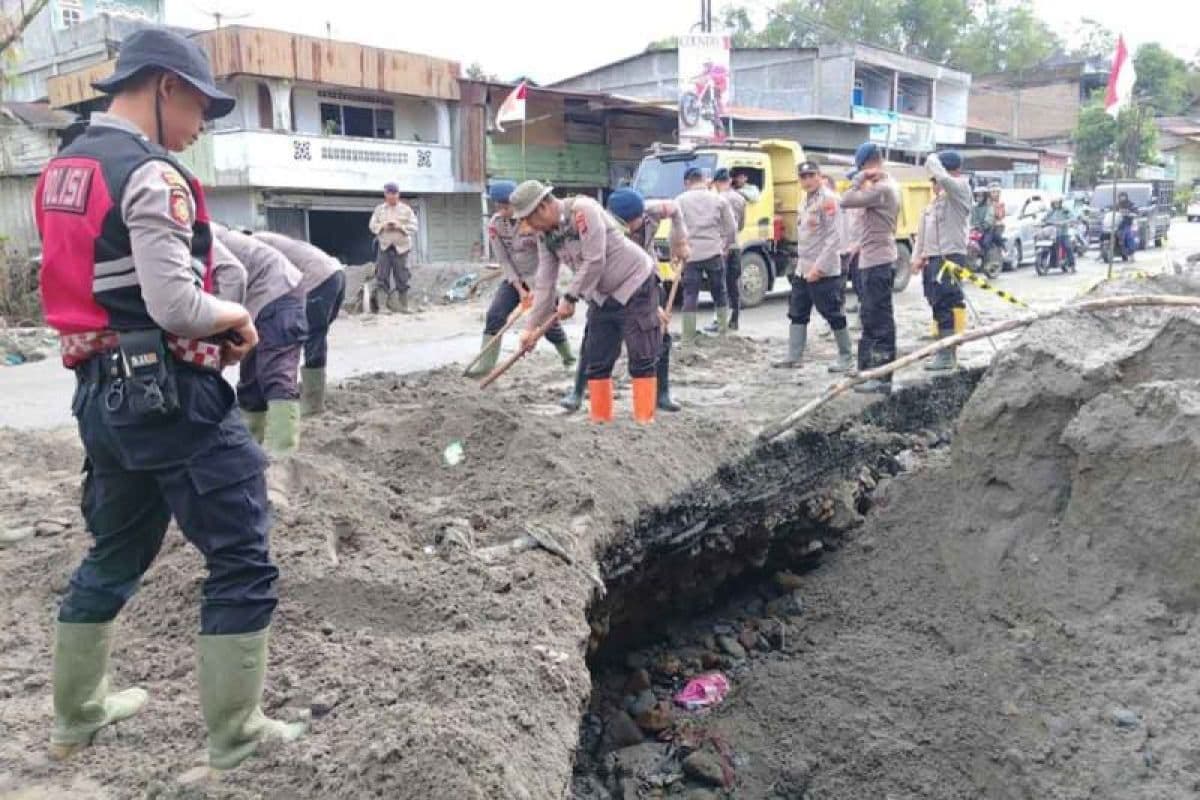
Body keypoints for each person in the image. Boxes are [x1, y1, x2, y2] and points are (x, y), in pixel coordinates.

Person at [32, 26, 303, 770]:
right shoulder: (150, 174)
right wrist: (236, 318)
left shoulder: (64, 168)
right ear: (165, 86)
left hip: (98, 398)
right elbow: (178, 304)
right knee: (243, 555)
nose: (196, 131)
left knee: (116, 549)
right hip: (165, 397)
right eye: (199, 111)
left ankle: (77, 714)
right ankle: (236, 737)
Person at [511, 180, 662, 424]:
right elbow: (545, 282)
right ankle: (600, 421)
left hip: (635, 283)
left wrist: (570, 297)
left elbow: (595, 261)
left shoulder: (583, 210)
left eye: (528, 219)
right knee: (597, 357)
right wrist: (531, 328)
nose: (527, 226)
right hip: (601, 295)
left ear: (542, 207)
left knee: (641, 355)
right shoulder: (545, 235)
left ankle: (645, 422)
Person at [566, 187, 689, 413]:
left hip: (644, 280)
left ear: (640, 217)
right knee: (594, 339)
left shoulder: (652, 211)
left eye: (631, 223)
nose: (627, 228)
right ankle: (577, 391)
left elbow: (675, 209)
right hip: (608, 285)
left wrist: (679, 241)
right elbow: (590, 267)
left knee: (657, 335)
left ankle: (662, 394)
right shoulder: (597, 224)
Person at [212, 225, 307, 453]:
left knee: (275, 372)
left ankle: (283, 453)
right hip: (256, 299)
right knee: (251, 379)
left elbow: (234, 276)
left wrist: (219, 331)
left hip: (279, 292)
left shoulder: (195, 233)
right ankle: (251, 445)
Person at [466, 180, 575, 378]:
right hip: (514, 279)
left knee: (547, 323)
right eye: (499, 206)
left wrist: (538, 288)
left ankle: (569, 359)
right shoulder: (495, 225)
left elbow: (548, 257)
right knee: (495, 315)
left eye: (506, 205)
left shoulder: (533, 221)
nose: (503, 210)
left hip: (539, 277)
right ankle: (485, 364)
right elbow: (504, 260)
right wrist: (520, 289)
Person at [253, 231, 346, 416]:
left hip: (318, 279)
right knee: (316, 335)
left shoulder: (254, 246)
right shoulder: (264, 239)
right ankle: (311, 395)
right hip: (336, 274)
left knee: (311, 336)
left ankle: (313, 402)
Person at [772, 161, 853, 373]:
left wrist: (819, 267)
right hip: (803, 267)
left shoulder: (830, 200)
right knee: (797, 311)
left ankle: (846, 356)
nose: (807, 180)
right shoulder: (805, 201)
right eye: (803, 177)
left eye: (811, 176)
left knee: (832, 312)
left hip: (824, 269)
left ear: (819, 176)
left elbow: (834, 238)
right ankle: (794, 356)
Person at [839, 143, 900, 395]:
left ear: (868, 166)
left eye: (861, 169)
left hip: (879, 262)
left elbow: (846, 200)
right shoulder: (879, 187)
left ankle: (882, 375)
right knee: (868, 317)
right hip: (869, 260)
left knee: (880, 320)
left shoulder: (883, 188)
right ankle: (866, 370)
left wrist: (859, 180)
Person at [918, 150, 971, 372]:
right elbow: (925, 233)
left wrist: (932, 157)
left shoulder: (960, 188)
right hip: (935, 259)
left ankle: (948, 353)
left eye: (936, 179)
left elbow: (942, 176)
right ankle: (944, 345)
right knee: (937, 301)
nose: (935, 184)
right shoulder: (937, 202)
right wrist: (920, 257)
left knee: (947, 301)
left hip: (951, 257)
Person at [675, 166, 737, 342]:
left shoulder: (680, 200)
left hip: (691, 254)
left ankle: (688, 335)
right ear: (704, 180)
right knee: (719, 291)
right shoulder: (719, 200)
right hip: (713, 252)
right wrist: (725, 246)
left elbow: (676, 231)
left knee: (690, 294)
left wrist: (676, 251)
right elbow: (731, 228)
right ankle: (723, 330)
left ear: (687, 182)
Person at [706, 168, 746, 332]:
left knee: (719, 285)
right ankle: (734, 321)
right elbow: (741, 225)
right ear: (729, 181)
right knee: (733, 284)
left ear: (716, 183)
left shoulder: (715, 199)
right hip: (735, 245)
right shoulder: (740, 198)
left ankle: (719, 321)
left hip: (720, 247)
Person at [369, 182, 418, 313]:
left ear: (398, 194)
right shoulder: (379, 210)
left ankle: (404, 306)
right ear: (385, 194)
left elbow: (414, 227)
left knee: (402, 276)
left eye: (394, 194)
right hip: (384, 247)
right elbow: (372, 226)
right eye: (389, 194)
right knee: (382, 276)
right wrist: (383, 226)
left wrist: (400, 227)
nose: (392, 196)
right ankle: (383, 307)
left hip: (401, 248)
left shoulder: (406, 210)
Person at [1043, 197, 1076, 269]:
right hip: (1053, 234)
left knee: (1068, 247)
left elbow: (1072, 218)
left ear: (1060, 203)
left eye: (1057, 203)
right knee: (1050, 246)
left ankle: (1072, 265)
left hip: (1063, 233)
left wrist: (1064, 222)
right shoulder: (1051, 211)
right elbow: (1045, 218)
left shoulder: (1065, 210)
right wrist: (1042, 222)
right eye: (1054, 203)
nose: (1056, 204)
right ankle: (1051, 262)